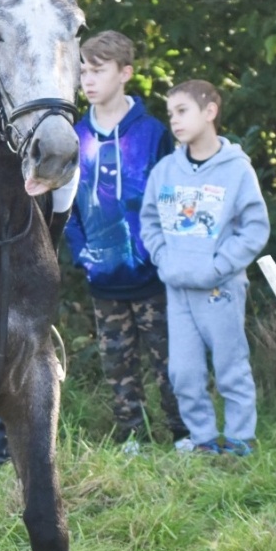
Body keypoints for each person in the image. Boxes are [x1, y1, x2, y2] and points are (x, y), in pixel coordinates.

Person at [65, 32, 187, 448]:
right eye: (83, 70)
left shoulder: (153, 133)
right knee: (116, 360)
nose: (88, 80)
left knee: (170, 361)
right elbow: (66, 206)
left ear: (125, 73)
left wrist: (165, 254)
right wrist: (83, 254)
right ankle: (133, 435)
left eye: (98, 71)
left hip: (153, 274)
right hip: (103, 275)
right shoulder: (74, 135)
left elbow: (171, 195)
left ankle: (185, 432)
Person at [139, 80, 270, 456]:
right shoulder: (165, 171)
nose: (174, 121)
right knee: (184, 373)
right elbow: (149, 222)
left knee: (231, 366)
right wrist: (165, 259)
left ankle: (240, 439)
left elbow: (255, 227)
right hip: (178, 288)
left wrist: (220, 266)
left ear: (210, 111)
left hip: (220, 290)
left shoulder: (236, 170)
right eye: (170, 114)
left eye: (183, 111)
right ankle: (204, 440)